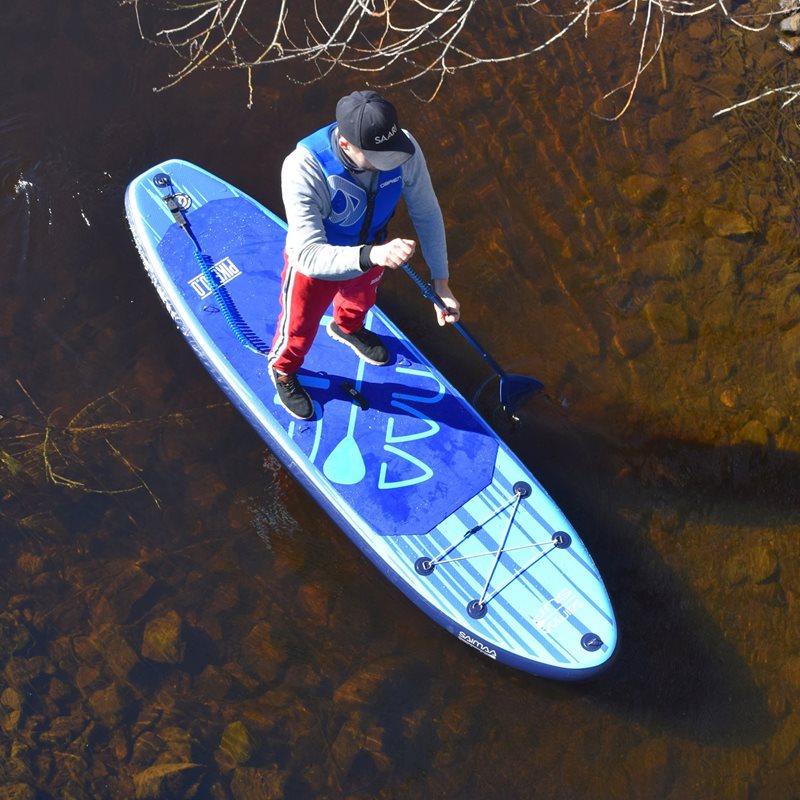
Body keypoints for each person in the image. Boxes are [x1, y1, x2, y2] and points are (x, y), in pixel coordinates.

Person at [268, 89, 460, 420]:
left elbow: (427, 212)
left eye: (393, 152)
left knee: (360, 302)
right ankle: (283, 370)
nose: (393, 162)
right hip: (318, 264)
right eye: (379, 158)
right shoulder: (302, 168)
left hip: (373, 251)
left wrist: (441, 282)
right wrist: (371, 256)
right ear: (345, 145)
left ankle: (346, 327)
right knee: (298, 328)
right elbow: (306, 255)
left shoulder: (404, 148)